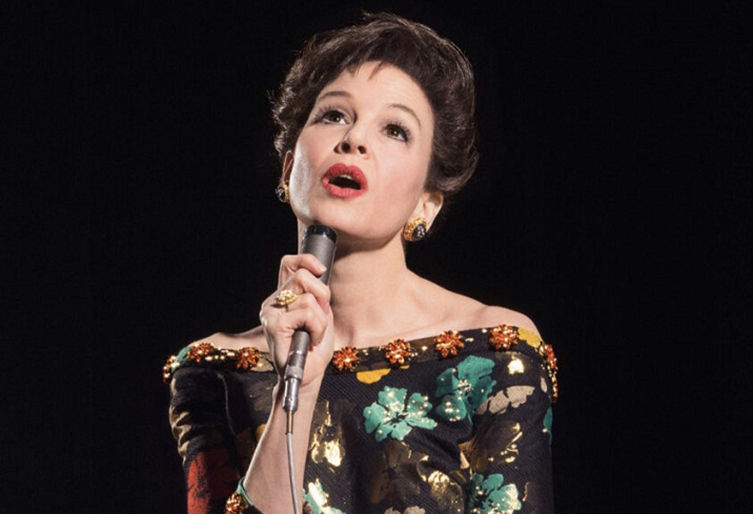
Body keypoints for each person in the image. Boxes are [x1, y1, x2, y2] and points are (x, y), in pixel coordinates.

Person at [164, 13, 558, 514]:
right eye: (333, 115)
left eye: (395, 130)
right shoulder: (214, 370)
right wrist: (300, 388)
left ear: (426, 204)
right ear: (288, 167)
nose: (353, 139)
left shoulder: (494, 352)